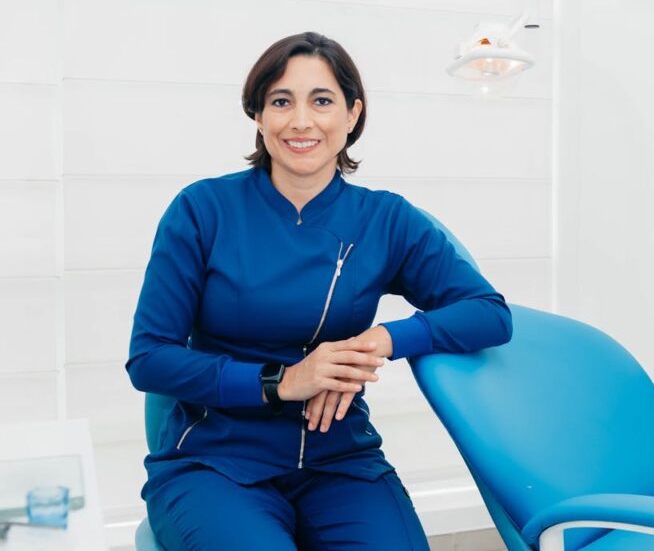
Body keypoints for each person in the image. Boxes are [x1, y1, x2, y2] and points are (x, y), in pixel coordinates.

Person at [126, 31, 513, 550]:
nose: (301, 121)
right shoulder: (202, 210)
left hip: (340, 460)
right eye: (281, 102)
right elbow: (150, 359)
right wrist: (280, 382)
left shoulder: (385, 218)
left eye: (322, 101)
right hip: (216, 461)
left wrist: (380, 340)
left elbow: (488, 314)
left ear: (352, 115)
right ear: (258, 116)